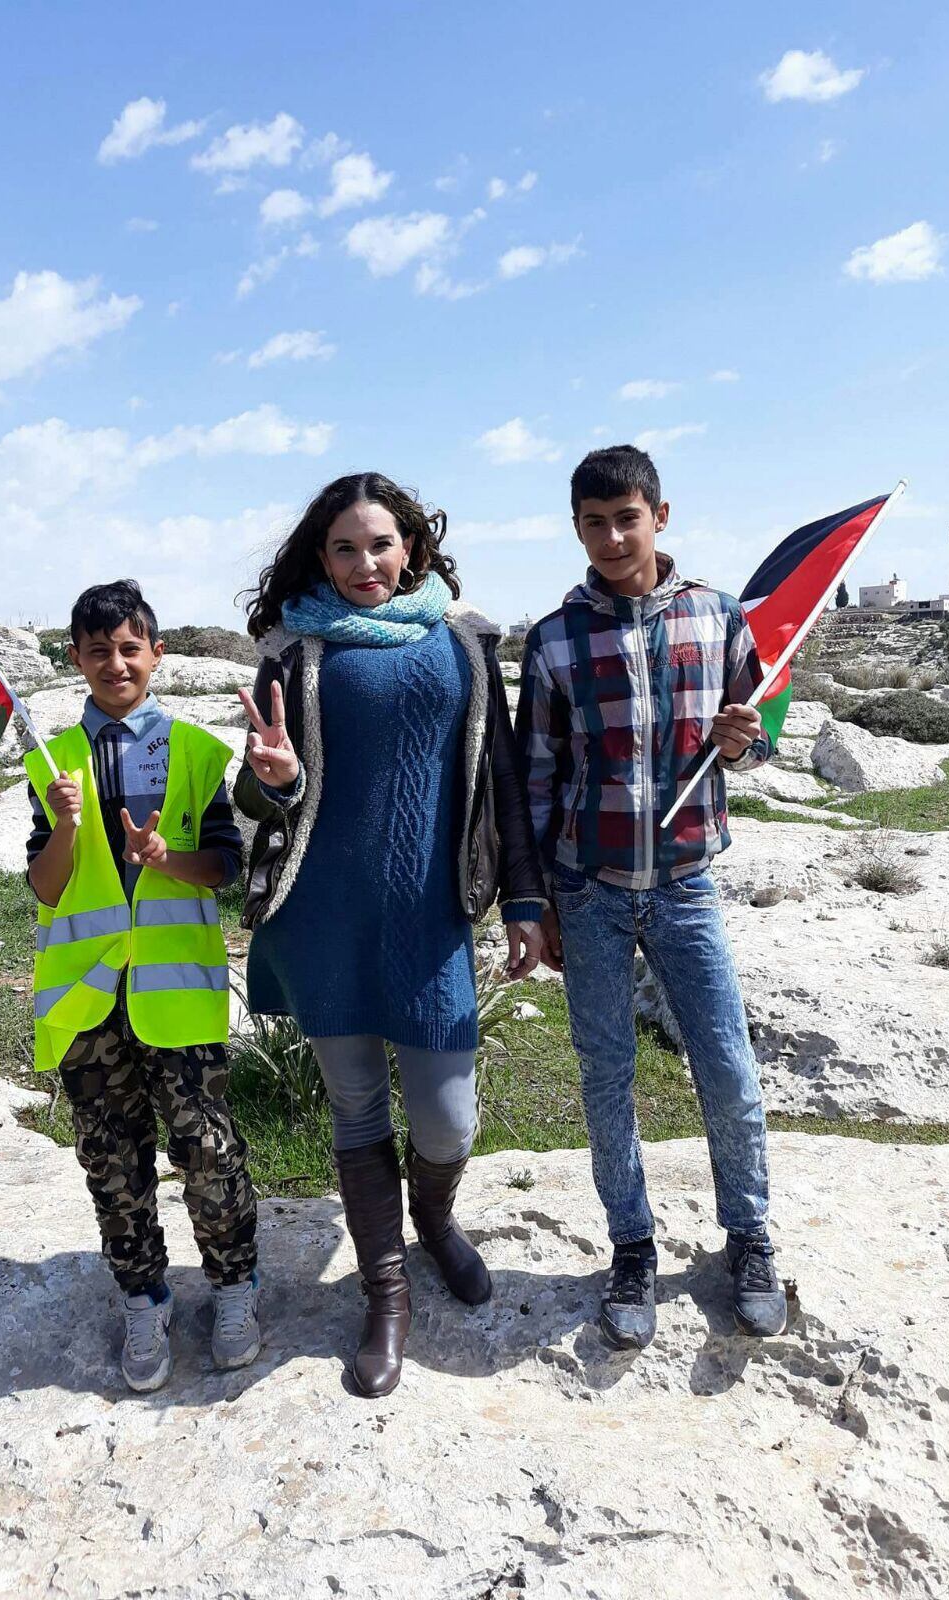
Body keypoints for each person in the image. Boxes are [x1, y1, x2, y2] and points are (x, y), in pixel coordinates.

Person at [234, 472, 545, 1399]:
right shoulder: (294, 651)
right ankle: (387, 1292)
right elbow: (262, 793)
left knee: (448, 1118)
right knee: (357, 1107)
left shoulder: (465, 642)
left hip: (430, 918)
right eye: (344, 548)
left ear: (411, 545)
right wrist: (274, 778)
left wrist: (525, 900)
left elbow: (502, 778)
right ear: (320, 557)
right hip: (325, 915)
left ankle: (436, 1219)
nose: (364, 563)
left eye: (380, 544)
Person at [514, 444, 788, 1351]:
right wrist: (540, 900)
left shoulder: (717, 615)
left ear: (659, 517)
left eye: (626, 518)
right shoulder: (554, 639)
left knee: (727, 1064)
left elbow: (761, 734)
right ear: (576, 528)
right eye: (593, 523)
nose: (612, 537)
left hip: (684, 883)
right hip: (589, 888)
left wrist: (744, 740)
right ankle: (631, 1246)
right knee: (606, 1073)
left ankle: (749, 1237)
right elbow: (538, 776)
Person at [24, 579, 259, 1392]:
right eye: (99, 651)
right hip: (87, 998)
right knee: (112, 1158)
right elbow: (47, 887)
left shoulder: (195, 752)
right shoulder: (52, 758)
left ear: (157, 654)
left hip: (176, 993)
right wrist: (64, 826)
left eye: (130, 648)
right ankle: (142, 1297)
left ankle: (235, 1287)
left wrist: (166, 860)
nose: (116, 663)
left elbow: (224, 865)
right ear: (75, 659)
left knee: (206, 1148)